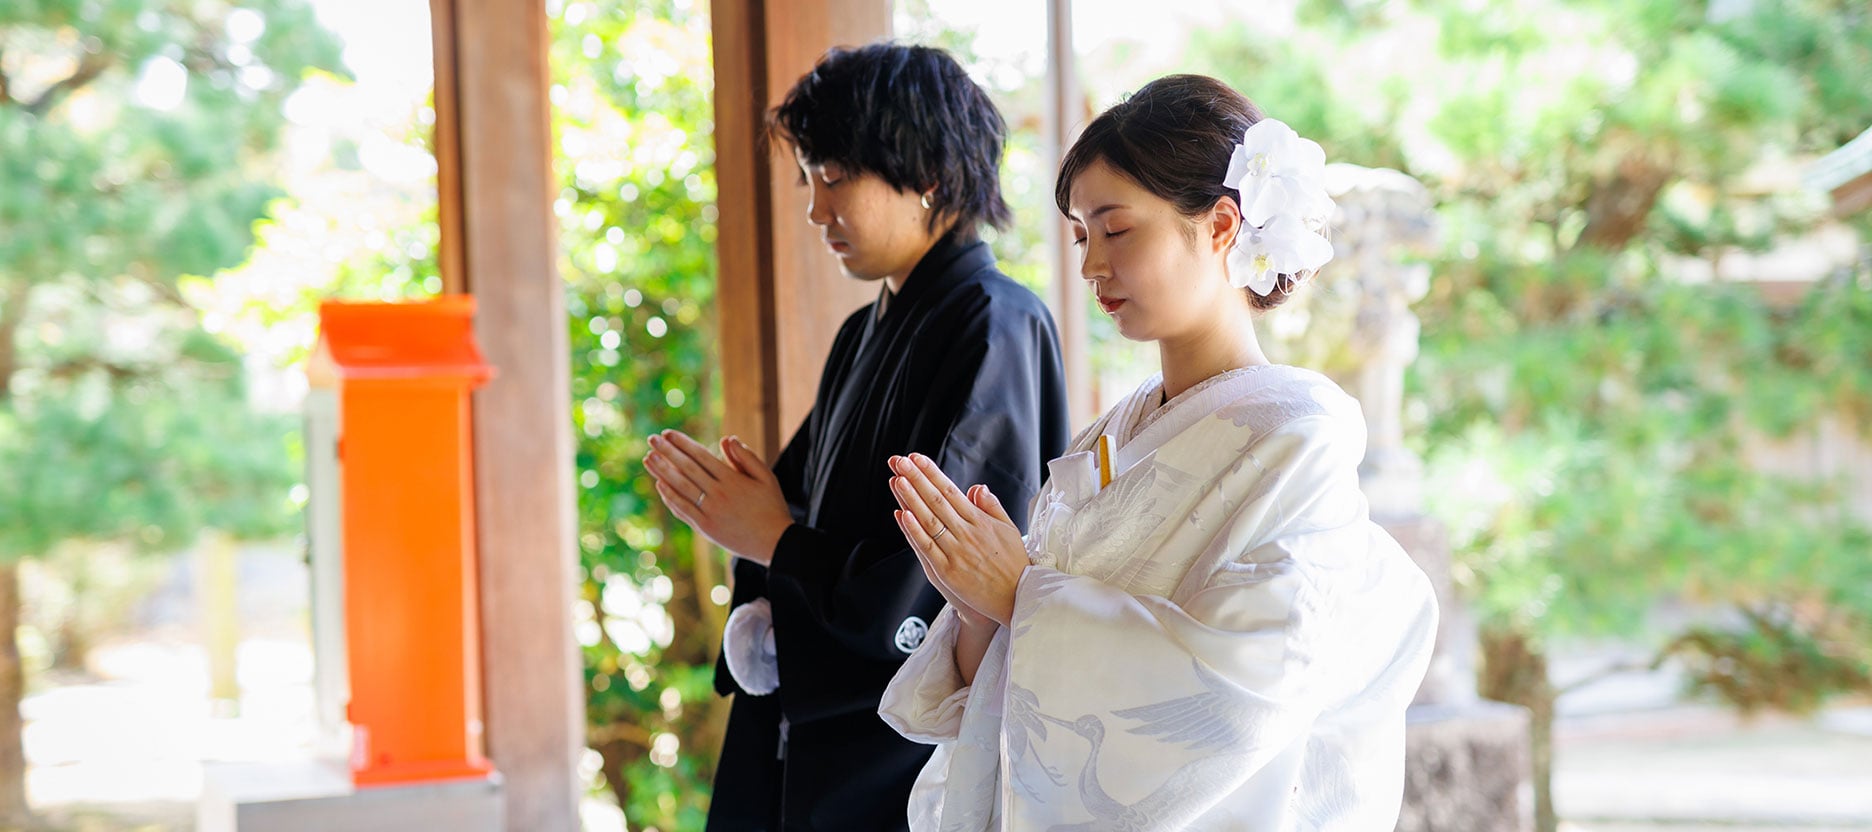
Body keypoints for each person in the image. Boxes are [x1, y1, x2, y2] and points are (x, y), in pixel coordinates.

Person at [878, 74, 1440, 830]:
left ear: (1219, 226)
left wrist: (1023, 596)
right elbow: (1011, 681)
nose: (1090, 267)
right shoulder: (1110, 433)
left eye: (1116, 230)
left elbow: (1247, 691)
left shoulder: (1297, 437)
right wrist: (981, 609)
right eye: (1081, 236)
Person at [643, 43, 1072, 831]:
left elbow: (927, 591)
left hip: (896, 755)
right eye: (808, 177)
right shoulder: (863, 329)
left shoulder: (994, 324)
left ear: (930, 174)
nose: (814, 208)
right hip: (811, 730)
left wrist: (774, 539)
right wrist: (750, 521)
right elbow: (789, 504)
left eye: (834, 176)